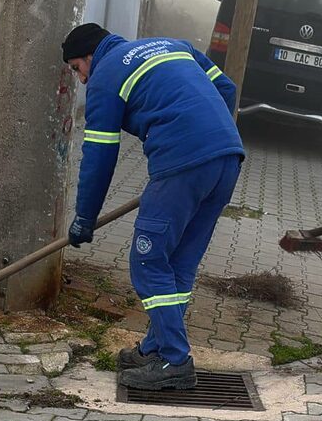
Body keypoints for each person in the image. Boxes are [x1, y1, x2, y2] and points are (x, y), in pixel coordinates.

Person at [62, 23, 244, 391]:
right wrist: (207, 137)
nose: (81, 80)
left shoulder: (105, 77)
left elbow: (99, 154)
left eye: (76, 69)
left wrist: (85, 216)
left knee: (147, 260)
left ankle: (175, 360)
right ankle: (156, 346)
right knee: (177, 264)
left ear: (88, 58)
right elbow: (226, 88)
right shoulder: (174, 43)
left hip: (182, 165)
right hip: (227, 158)